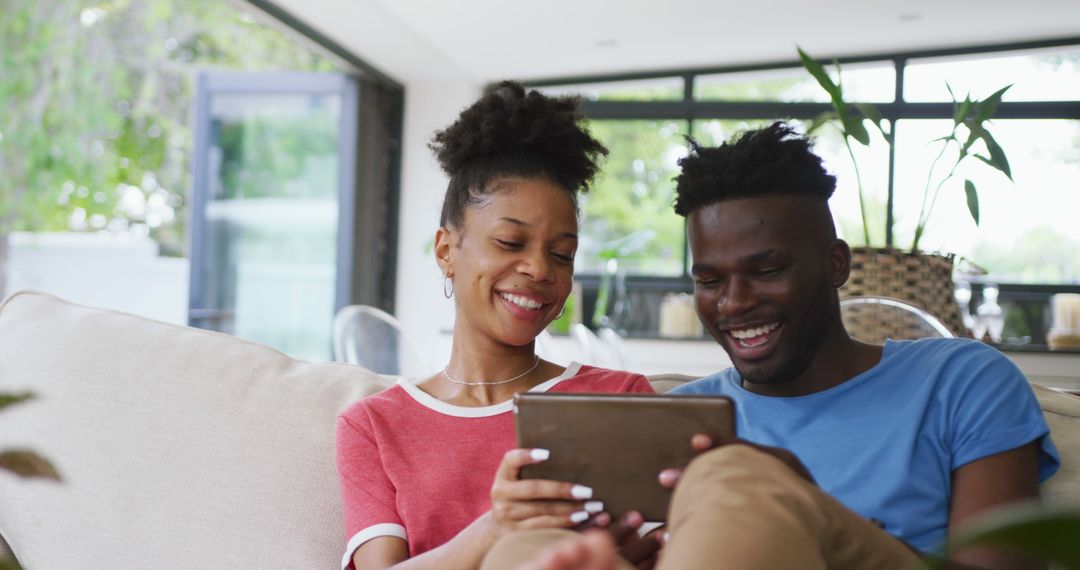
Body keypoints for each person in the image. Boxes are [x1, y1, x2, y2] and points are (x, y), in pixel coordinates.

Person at [482, 122, 1060, 570]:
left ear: (835, 264)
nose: (733, 303)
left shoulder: (959, 378)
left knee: (735, 478)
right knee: (533, 542)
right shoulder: (683, 419)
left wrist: (799, 506)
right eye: (710, 280)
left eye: (766, 270)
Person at [335, 82, 656, 570]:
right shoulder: (375, 425)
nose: (540, 270)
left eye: (561, 254)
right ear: (447, 251)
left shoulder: (618, 398)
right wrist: (495, 529)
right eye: (510, 242)